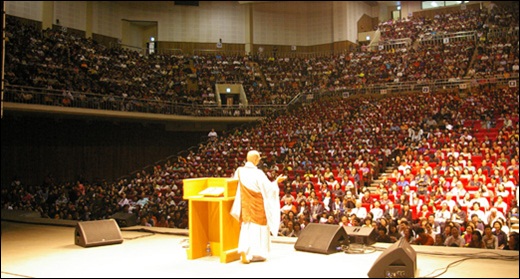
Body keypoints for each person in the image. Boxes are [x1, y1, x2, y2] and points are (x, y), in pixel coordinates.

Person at [230, 150, 287, 264]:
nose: (259, 160)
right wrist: (276, 181)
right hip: (258, 205)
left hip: (245, 203)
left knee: (247, 227)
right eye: (259, 159)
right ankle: (255, 253)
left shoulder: (239, 171)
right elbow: (269, 189)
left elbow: (233, 185)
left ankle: (244, 251)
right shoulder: (258, 173)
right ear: (255, 160)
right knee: (257, 229)